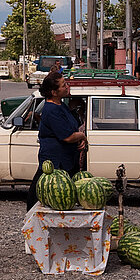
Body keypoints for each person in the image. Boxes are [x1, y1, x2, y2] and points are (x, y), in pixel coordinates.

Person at [26, 71, 87, 210]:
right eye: (64, 85)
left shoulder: (61, 105)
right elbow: (68, 137)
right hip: (55, 163)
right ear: (54, 92)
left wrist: (79, 136)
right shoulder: (52, 109)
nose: (67, 86)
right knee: (42, 198)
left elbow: (72, 130)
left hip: (66, 161)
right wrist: (82, 136)